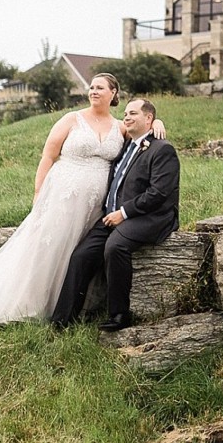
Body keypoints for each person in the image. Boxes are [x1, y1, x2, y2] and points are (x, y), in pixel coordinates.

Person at [0, 73, 166, 325]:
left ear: (113, 93)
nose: (93, 91)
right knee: (48, 246)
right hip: (63, 193)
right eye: (91, 87)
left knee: (75, 250)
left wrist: (157, 120)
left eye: (100, 87)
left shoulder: (119, 127)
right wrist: (38, 193)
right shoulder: (72, 119)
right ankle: (25, 303)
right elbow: (48, 157)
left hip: (95, 203)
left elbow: (141, 133)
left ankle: (67, 304)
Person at [51, 97, 180, 332]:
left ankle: (119, 314)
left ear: (148, 118)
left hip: (151, 217)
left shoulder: (163, 149)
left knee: (115, 247)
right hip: (113, 216)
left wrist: (124, 213)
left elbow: (159, 193)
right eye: (126, 113)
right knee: (81, 255)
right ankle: (62, 320)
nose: (127, 117)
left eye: (133, 113)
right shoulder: (126, 145)